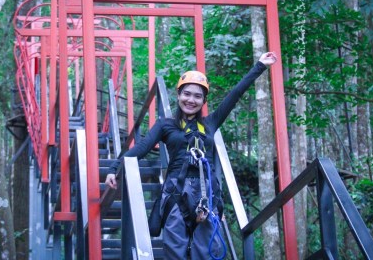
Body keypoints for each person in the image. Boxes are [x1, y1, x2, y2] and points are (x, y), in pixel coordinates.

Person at [105, 52, 277, 259]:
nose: (191, 100)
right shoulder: (166, 125)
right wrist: (115, 168)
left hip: (207, 193)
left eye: (197, 96)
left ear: (204, 100)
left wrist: (259, 65)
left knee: (205, 252)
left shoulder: (210, 124)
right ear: (178, 95)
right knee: (175, 250)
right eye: (187, 94)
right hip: (176, 192)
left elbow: (236, 94)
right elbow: (141, 148)